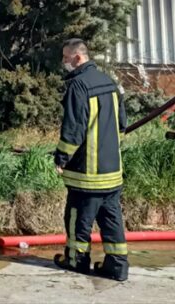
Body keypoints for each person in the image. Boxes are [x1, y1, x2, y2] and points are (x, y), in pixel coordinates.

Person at [52, 38, 129, 282]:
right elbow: (122, 125)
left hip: (87, 174)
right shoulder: (109, 82)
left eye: (66, 57)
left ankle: (76, 260)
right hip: (112, 171)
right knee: (112, 219)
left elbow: (74, 129)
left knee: (77, 218)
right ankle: (117, 266)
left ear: (77, 57)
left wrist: (61, 157)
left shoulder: (79, 85)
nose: (63, 62)